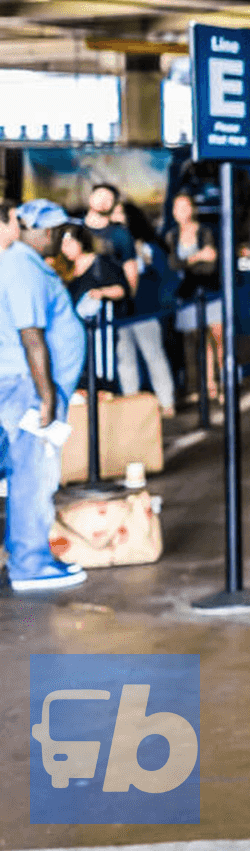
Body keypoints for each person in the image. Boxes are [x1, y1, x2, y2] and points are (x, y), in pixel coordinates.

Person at [2, 201, 89, 592]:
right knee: (32, 476)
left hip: (21, 384)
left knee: (24, 473)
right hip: (24, 388)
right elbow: (31, 335)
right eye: (56, 231)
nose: (60, 237)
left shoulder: (27, 265)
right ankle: (30, 565)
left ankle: (24, 556)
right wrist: (46, 399)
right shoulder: (21, 264)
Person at [111, 201, 176, 418]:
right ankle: (131, 402)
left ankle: (167, 402)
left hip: (145, 310)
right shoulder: (113, 247)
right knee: (125, 359)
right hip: (121, 312)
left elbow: (163, 274)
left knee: (153, 355)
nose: (116, 218)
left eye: (120, 213)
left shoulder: (147, 246)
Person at [165, 192, 223, 406]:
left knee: (218, 341)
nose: (181, 212)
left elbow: (211, 265)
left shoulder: (206, 232)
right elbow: (173, 265)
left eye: (185, 206)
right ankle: (203, 387)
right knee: (196, 345)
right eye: (177, 207)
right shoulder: (171, 236)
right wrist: (198, 256)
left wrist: (186, 261)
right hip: (188, 295)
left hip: (211, 292)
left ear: (192, 209)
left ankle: (222, 385)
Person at [60, 224, 128, 392]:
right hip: (76, 335)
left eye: (69, 243)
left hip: (100, 333)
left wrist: (101, 292)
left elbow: (121, 289)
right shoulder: (66, 269)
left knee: (102, 373)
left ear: (81, 242)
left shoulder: (100, 263)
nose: (65, 249)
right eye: (63, 244)